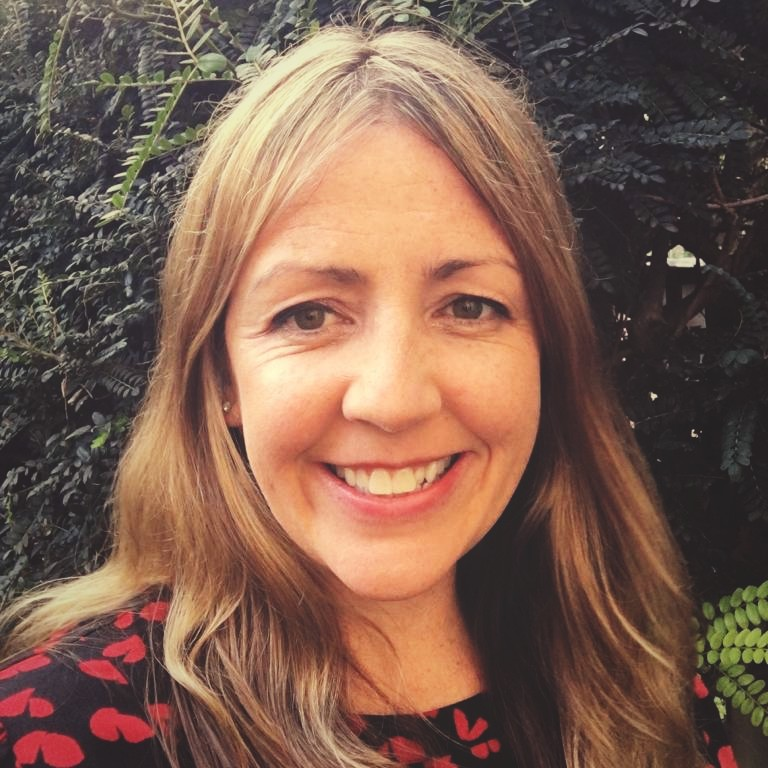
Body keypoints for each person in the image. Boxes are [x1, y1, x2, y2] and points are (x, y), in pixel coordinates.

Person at [0, 25, 736, 768]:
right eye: (308, 316)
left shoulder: (647, 692)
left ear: (547, 352)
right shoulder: (54, 735)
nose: (392, 400)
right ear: (221, 376)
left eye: (470, 306)